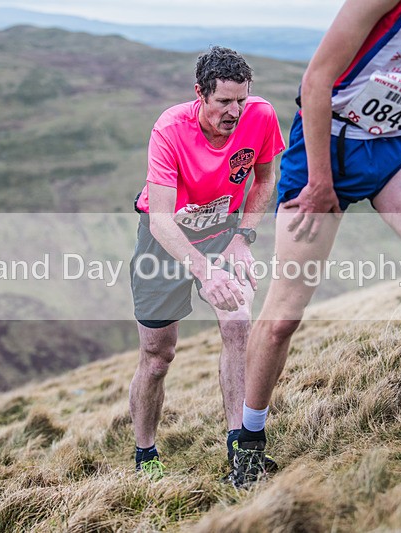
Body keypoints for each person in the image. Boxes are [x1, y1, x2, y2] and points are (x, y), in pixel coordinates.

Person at [230, 0, 401, 487]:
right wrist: (319, 181)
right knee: (284, 316)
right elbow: (316, 81)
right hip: (326, 144)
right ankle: (247, 444)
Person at [129, 46, 286, 478]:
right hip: (165, 241)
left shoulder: (261, 116)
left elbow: (266, 178)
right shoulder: (170, 129)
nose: (235, 111)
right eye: (223, 102)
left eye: (242, 99)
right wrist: (203, 269)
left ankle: (242, 451)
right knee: (158, 356)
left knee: (238, 326)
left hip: (223, 233)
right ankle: (146, 454)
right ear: (200, 93)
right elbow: (160, 219)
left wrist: (242, 237)